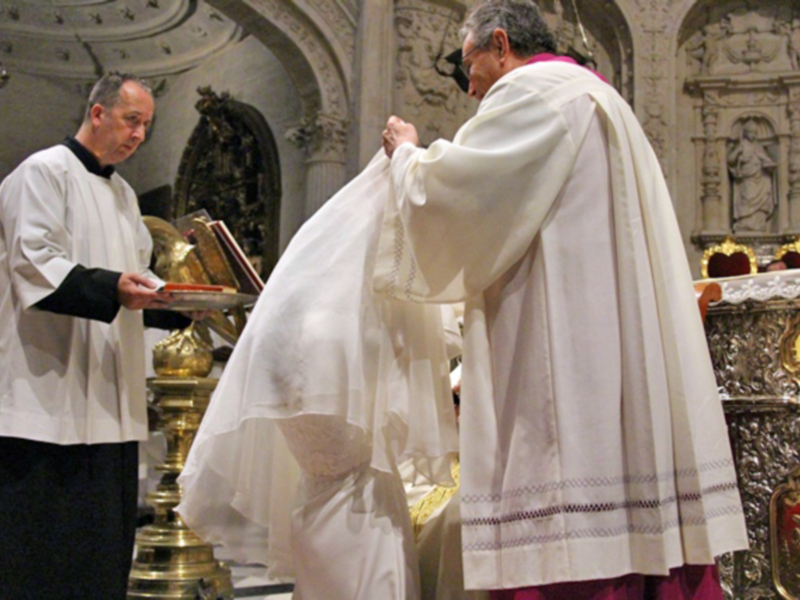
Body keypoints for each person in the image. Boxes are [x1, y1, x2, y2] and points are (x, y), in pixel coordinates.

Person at [378, 1, 748, 598]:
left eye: (467, 63)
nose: (467, 84)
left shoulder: (533, 94)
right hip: (611, 333)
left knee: (565, 491)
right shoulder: (598, 97)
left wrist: (406, 157)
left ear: (500, 44)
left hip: (561, 336)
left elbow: (452, 196)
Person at [0, 72, 189, 599]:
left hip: (108, 400)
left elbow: (135, 280)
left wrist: (181, 303)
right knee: (35, 553)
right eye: (132, 120)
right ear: (98, 112)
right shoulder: (42, 173)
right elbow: (34, 264)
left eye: (147, 126)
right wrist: (115, 288)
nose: (139, 135)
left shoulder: (126, 196)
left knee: (98, 554)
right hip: (44, 392)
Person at [728, 119, 776, 232]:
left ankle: (758, 224)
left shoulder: (758, 146)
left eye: (755, 133)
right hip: (746, 178)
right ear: (745, 132)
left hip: (760, 177)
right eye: (751, 133)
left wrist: (769, 165)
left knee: (764, 191)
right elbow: (730, 160)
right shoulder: (741, 145)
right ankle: (744, 223)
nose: (753, 136)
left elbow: (763, 157)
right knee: (747, 197)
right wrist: (737, 152)